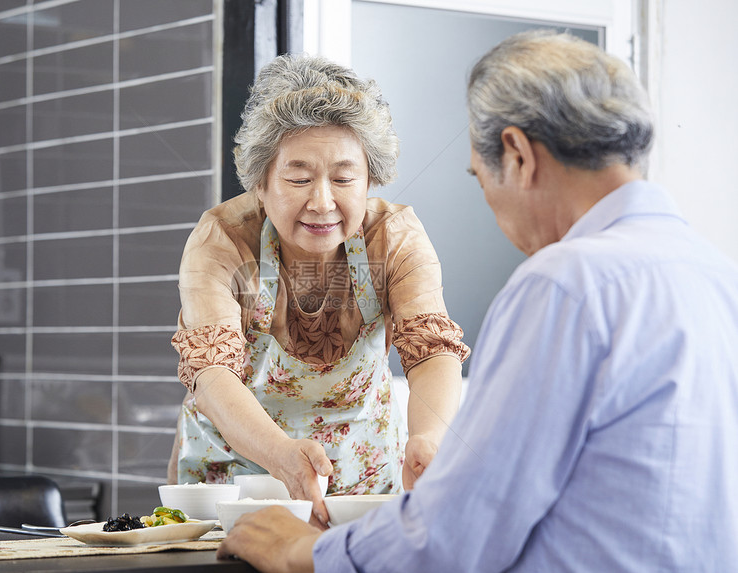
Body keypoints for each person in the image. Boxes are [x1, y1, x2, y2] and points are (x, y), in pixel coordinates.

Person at [216, 30, 738, 572]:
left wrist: (303, 552)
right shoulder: (719, 277)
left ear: (515, 153)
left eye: (478, 175)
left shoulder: (564, 285)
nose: (488, 200)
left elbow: (457, 532)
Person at [169, 53, 470, 525]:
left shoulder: (394, 238)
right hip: (235, 483)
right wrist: (282, 456)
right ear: (260, 184)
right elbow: (210, 374)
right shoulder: (222, 241)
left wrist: (429, 437)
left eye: (344, 178)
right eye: (299, 178)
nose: (323, 201)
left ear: (370, 180)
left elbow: (431, 350)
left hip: (364, 488)